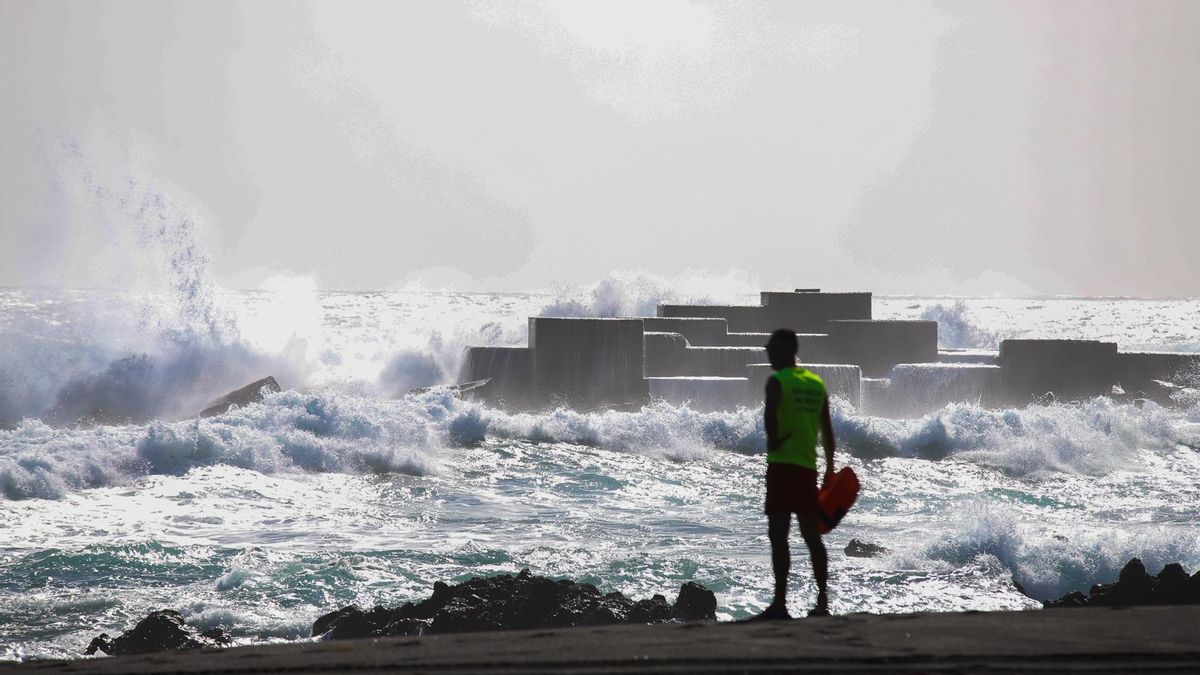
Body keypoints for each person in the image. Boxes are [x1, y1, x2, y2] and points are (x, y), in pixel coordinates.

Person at [756, 328, 836, 619]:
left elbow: (769, 419)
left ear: (789, 351)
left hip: (781, 467)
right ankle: (822, 602)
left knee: (779, 535)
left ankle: (780, 604)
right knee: (812, 536)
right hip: (807, 470)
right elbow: (827, 430)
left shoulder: (777, 381)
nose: (769, 353)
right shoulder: (816, 384)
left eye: (773, 349)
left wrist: (774, 440)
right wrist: (830, 467)